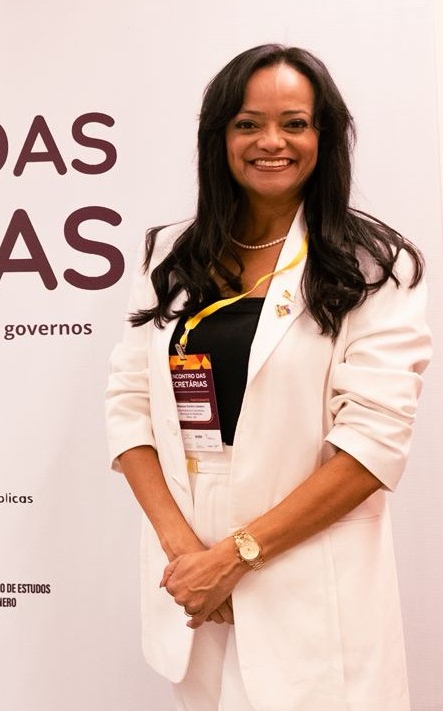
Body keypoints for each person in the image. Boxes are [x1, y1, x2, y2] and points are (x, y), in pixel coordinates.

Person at [104, 44, 431, 711]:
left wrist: (235, 556)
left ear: (324, 137)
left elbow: (372, 444)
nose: (271, 142)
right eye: (248, 123)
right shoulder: (168, 254)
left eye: (294, 123)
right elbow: (130, 405)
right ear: (219, 137)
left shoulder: (375, 265)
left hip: (309, 585)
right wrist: (187, 555)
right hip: (193, 590)